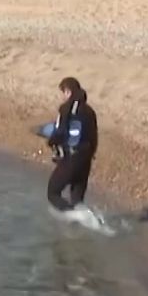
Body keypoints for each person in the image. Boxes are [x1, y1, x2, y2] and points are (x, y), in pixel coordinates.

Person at [46, 77, 99, 211]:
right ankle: (82, 222)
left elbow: (61, 132)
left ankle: (72, 215)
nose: (63, 97)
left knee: (52, 193)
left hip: (72, 158)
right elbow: (94, 137)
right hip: (86, 160)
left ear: (68, 92)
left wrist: (51, 142)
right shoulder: (90, 111)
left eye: (63, 93)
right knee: (77, 200)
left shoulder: (66, 108)